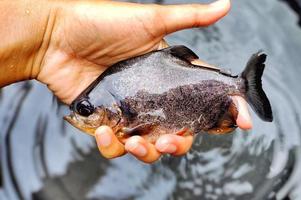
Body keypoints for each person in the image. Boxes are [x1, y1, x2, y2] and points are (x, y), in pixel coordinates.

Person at [0, 0, 253, 163]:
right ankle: (240, 85)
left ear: (112, 110)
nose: (81, 114)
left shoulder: (118, 106)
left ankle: (241, 85)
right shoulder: (112, 94)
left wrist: (49, 36)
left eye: (86, 109)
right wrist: (48, 36)